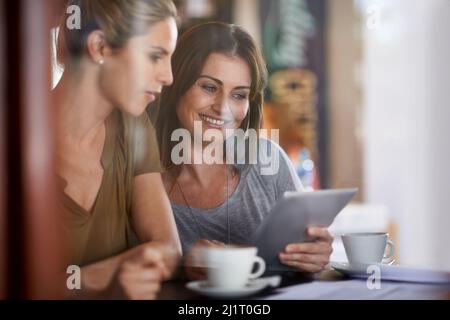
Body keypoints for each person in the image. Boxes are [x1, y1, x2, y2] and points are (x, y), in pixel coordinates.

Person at [150, 22, 333, 280]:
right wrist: (182, 267)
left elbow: (307, 265)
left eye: (238, 95)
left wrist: (315, 256)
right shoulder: (141, 180)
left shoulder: (269, 161)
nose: (223, 108)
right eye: (209, 87)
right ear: (176, 82)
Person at [53, 0, 181, 299]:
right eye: (155, 56)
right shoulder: (16, 141)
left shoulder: (133, 128)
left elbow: (169, 249)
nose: (168, 76)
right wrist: (101, 280)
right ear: (99, 47)